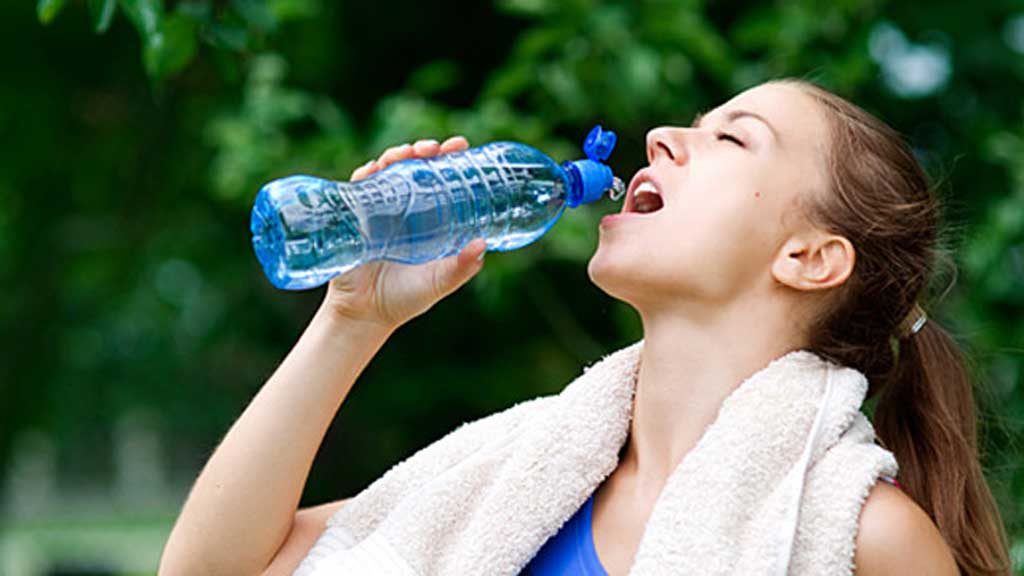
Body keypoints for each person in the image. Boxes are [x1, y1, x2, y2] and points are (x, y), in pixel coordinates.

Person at [158, 79, 1011, 576]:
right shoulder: (511, 480)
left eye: (732, 138)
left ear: (811, 257)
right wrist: (352, 317)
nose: (662, 137)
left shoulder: (866, 534)